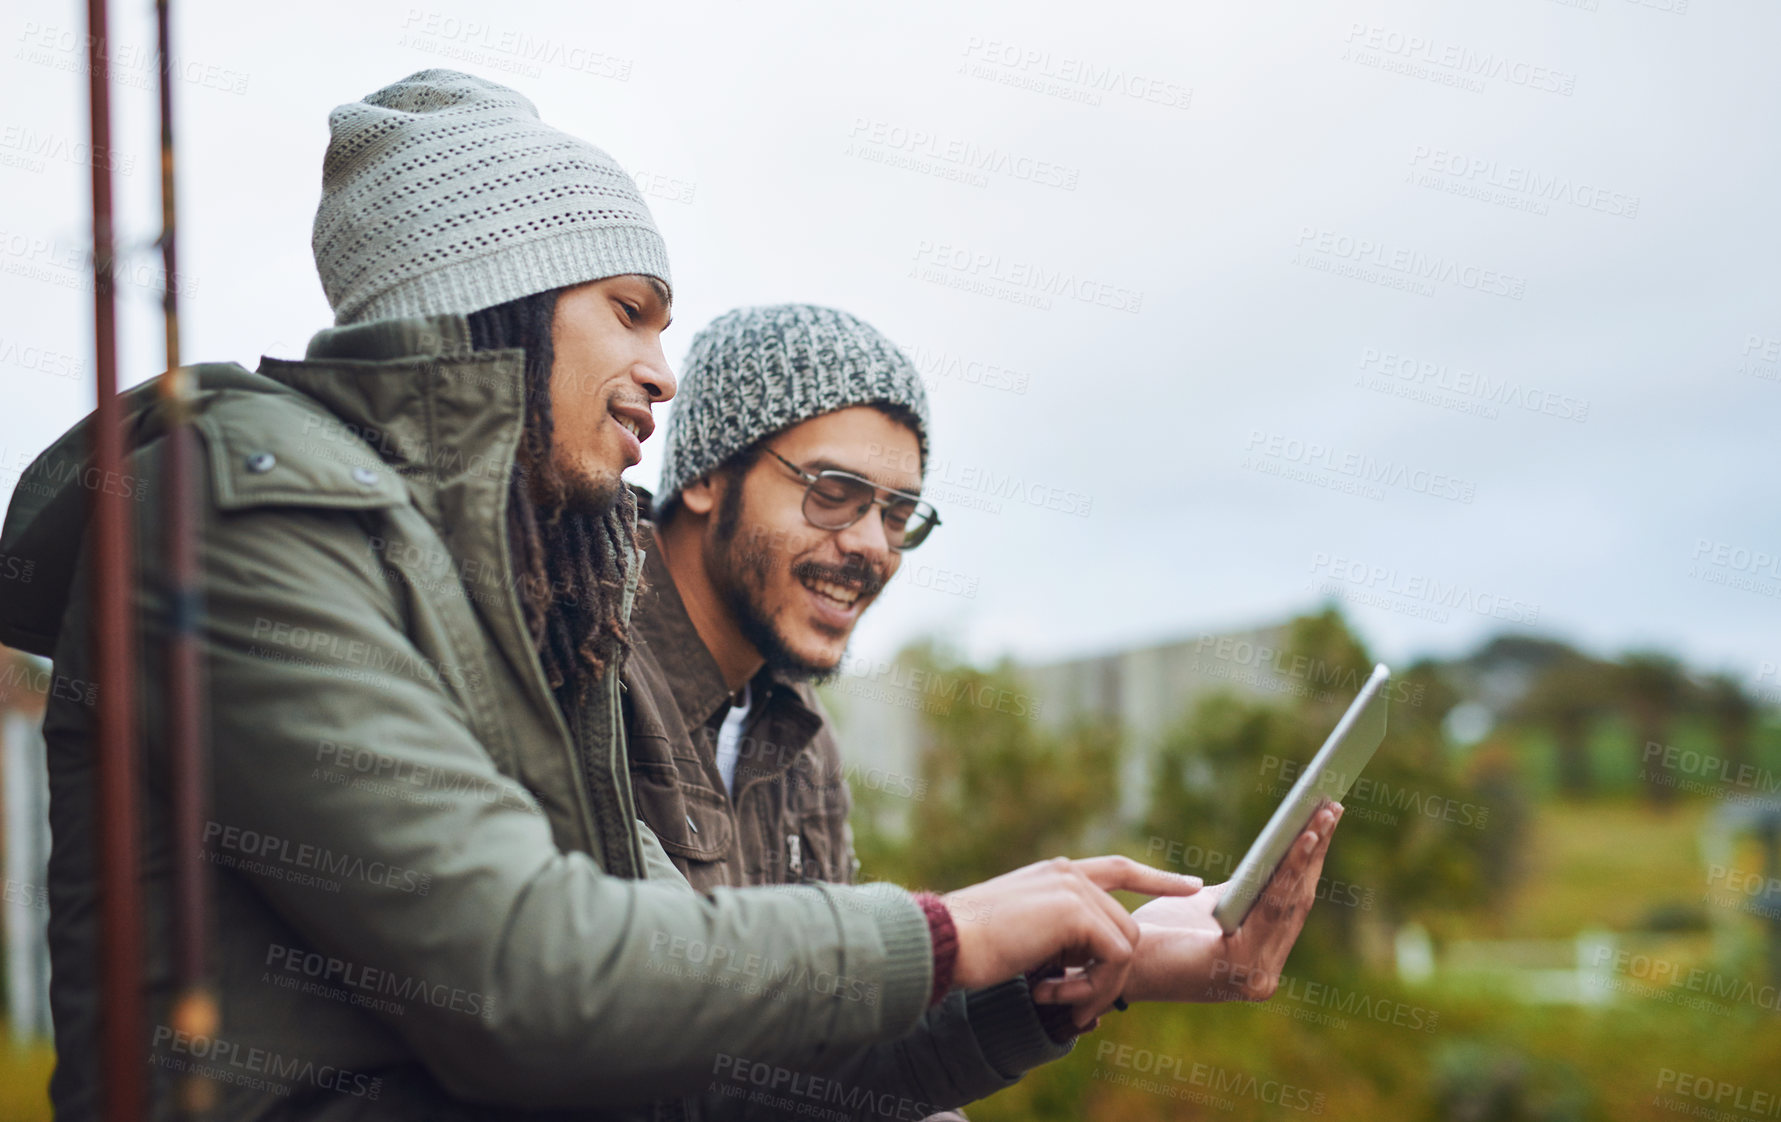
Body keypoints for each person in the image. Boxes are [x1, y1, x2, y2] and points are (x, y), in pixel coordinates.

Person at [0, 70, 1335, 1121]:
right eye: (631, 310)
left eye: (899, 511)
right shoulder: (233, 514)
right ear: (503, 296)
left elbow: (705, 1068)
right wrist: (951, 928)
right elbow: (531, 979)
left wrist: (1057, 988)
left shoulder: (514, 604)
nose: (663, 367)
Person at [619, 300, 1348, 1041]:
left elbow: (813, 1046)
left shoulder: (798, 736)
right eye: (832, 495)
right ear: (707, 474)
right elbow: (652, 1007)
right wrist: (954, 930)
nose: (872, 546)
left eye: (898, 515)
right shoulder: (578, 671)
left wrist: (1116, 963)